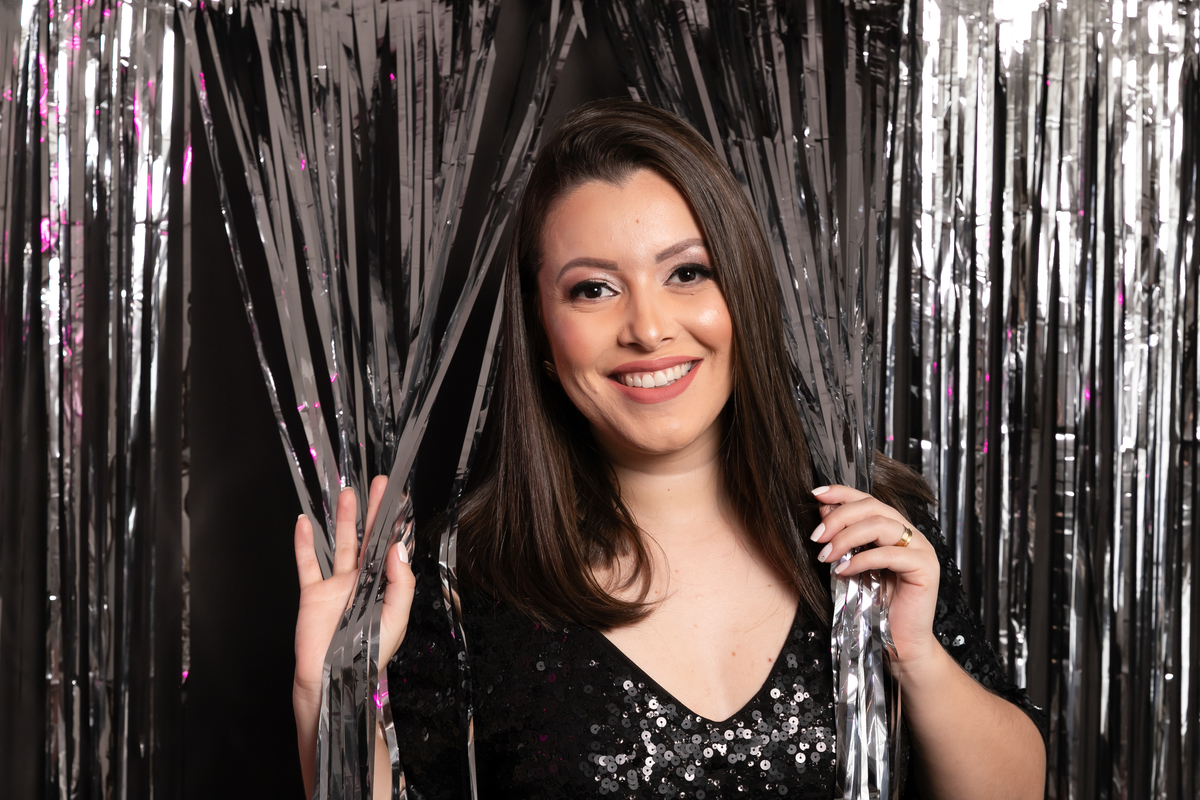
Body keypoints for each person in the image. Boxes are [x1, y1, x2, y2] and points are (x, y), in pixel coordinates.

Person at [292, 99, 1047, 799]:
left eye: (687, 273)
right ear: (543, 335)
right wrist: (328, 698)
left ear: (742, 295)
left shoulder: (868, 529)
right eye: (594, 289)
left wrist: (914, 652)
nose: (649, 329)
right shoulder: (463, 578)